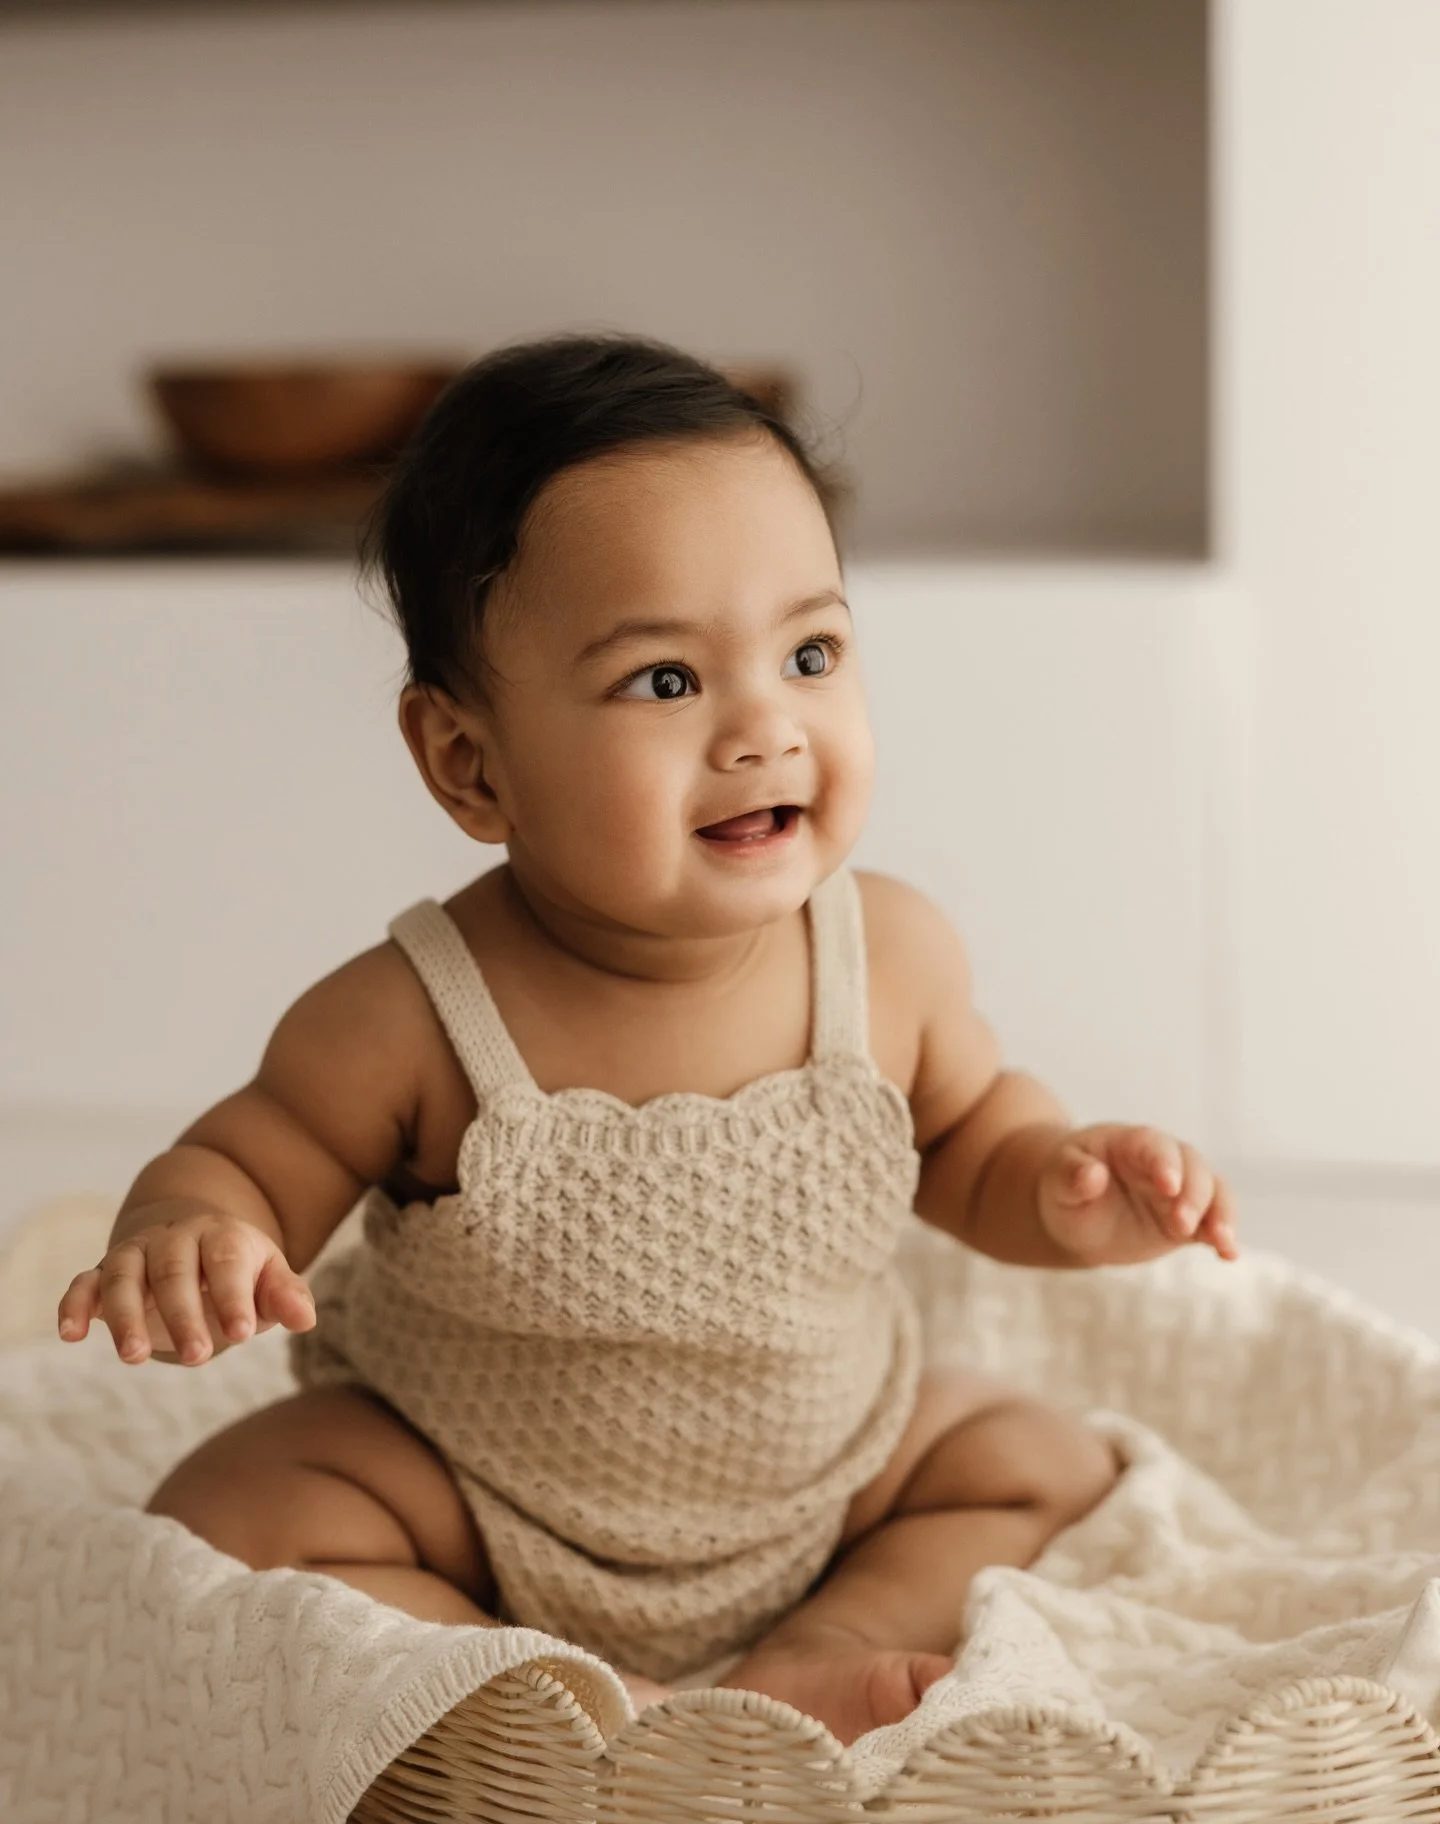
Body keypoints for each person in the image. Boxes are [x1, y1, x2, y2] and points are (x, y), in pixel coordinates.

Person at [55, 333, 1239, 1747]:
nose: (763, 727)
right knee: (232, 1512)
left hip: (828, 1473)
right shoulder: (413, 1015)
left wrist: (1065, 1185)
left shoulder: (891, 957)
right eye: (665, 682)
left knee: (1035, 1456)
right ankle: (557, 1688)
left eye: (811, 654)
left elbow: (975, 1141)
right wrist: (199, 1232)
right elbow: (245, 1158)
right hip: (472, 1499)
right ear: (470, 763)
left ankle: (826, 1641)